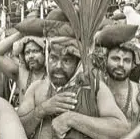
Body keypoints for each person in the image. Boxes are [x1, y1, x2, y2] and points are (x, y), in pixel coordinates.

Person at [17, 10, 129, 139]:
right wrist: (41, 110)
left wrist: (72, 119)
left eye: (67, 60)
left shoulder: (95, 88)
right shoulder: (36, 89)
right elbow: (15, 128)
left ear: (78, 62)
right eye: (53, 58)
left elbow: (122, 129)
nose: (58, 66)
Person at [95, 24, 140, 129]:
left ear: (133, 64)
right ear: (105, 60)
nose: (121, 64)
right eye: (115, 58)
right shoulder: (95, 90)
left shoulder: (139, 92)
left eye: (126, 60)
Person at [0, 32, 46, 103]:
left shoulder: (53, 75)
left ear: (45, 53)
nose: (31, 56)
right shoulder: (21, 74)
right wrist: (21, 33)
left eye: (35, 51)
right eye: (27, 52)